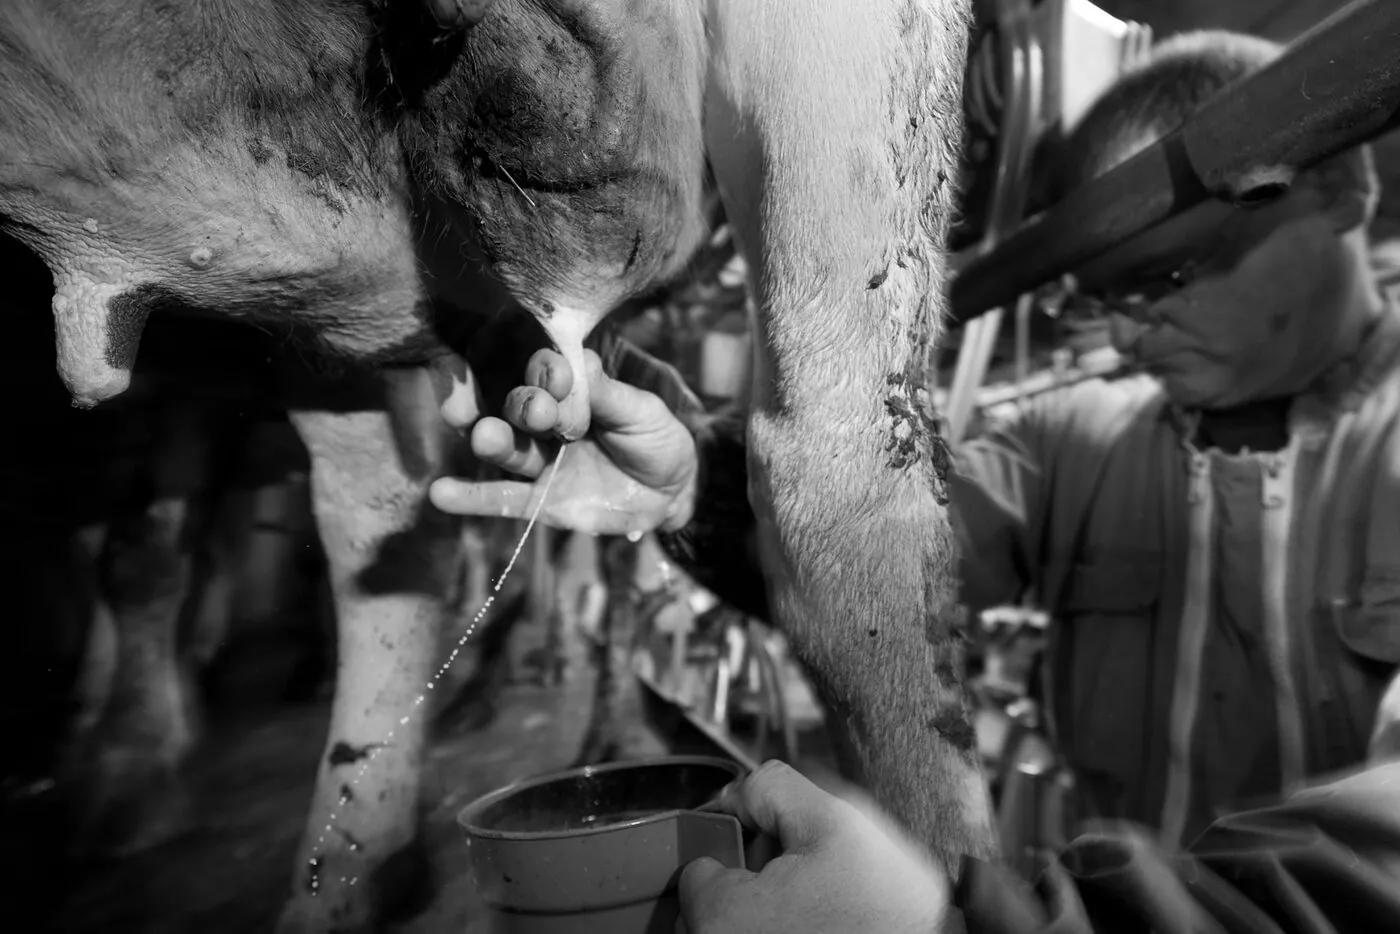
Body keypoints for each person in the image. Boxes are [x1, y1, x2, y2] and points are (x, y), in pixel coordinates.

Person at [429, 26, 1400, 930]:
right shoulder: (1074, 441)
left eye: (1162, 280)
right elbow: (872, 578)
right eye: (1101, 298)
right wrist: (696, 488)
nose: (1124, 333)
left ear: (1340, 193)